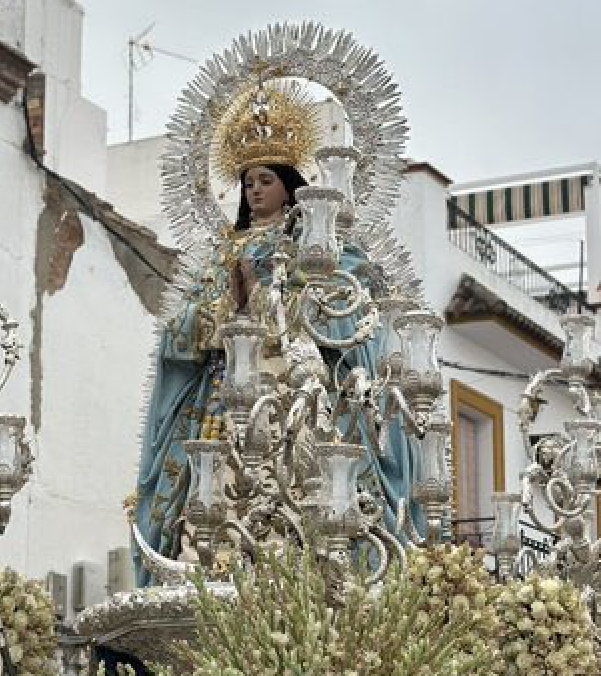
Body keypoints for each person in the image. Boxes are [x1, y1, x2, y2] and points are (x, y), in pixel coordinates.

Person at [131, 85, 414, 585]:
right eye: (247, 183)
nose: (255, 191)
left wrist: (269, 294)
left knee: (302, 472)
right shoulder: (224, 251)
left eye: (265, 180)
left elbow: (342, 308)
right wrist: (230, 305)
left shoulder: (314, 243)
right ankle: (215, 561)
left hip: (293, 388)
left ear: (288, 185)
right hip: (228, 393)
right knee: (218, 484)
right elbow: (179, 330)